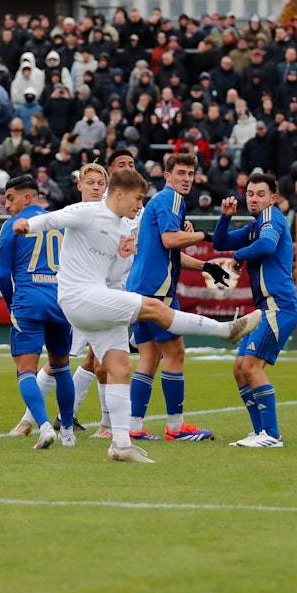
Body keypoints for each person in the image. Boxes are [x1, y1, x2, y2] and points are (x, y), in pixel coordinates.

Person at [14, 168, 261, 463]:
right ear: (119, 193)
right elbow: (53, 218)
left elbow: (113, 274)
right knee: (154, 308)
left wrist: (124, 255)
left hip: (94, 299)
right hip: (78, 296)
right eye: (137, 198)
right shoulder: (87, 211)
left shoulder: (121, 228)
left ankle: (120, 444)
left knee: (120, 367)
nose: (139, 205)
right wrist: (27, 224)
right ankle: (225, 330)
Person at [125, 152, 227, 442]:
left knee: (149, 357)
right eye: (180, 173)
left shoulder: (159, 202)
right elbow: (170, 240)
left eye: (190, 174)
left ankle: (134, 427)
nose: (186, 179)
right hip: (157, 291)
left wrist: (206, 265)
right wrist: (206, 237)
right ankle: (176, 427)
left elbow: (168, 251)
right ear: (167, 176)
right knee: (175, 354)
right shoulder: (172, 200)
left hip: (141, 288)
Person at [212, 173, 297, 447]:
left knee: (250, 365)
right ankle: (260, 431)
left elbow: (268, 245)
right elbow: (220, 243)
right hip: (266, 306)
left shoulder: (271, 217)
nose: (254, 198)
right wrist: (225, 217)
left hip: (279, 304)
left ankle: (272, 435)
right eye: (250, 193)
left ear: (273, 198)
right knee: (240, 368)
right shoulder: (255, 226)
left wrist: (238, 257)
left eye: (260, 194)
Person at [0, 175, 78, 450]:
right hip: (60, 301)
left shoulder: (13, 227)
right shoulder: (61, 224)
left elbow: (3, 273)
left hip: (29, 301)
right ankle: (67, 431)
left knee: (26, 369)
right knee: (61, 366)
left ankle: (43, 426)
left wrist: (11, 304)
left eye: (10, 198)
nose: (7, 205)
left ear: (27, 197)